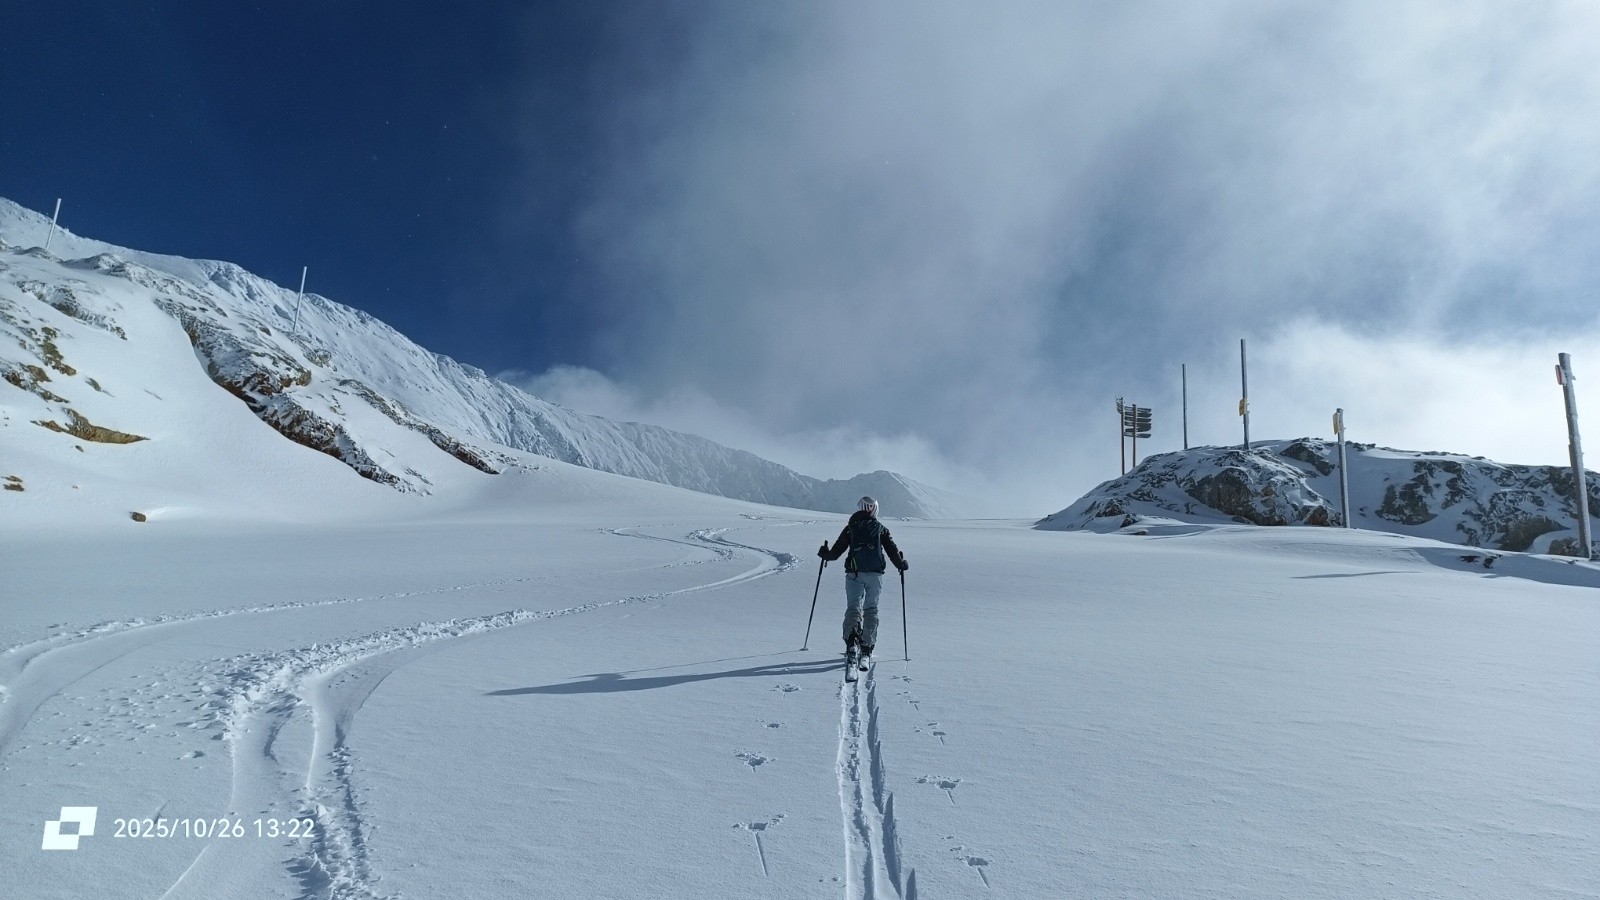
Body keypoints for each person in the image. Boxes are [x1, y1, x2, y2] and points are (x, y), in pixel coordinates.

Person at [817, 496, 908, 668]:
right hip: (875, 575)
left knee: (853, 608)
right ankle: (866, 647)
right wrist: (901, 564)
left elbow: (835, 553)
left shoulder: (851, 528)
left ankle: (851, 643)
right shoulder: (881, 529)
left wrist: (825, 554)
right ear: (874, 509)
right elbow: (892, 551)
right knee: (871, 609)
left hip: (854, 574)